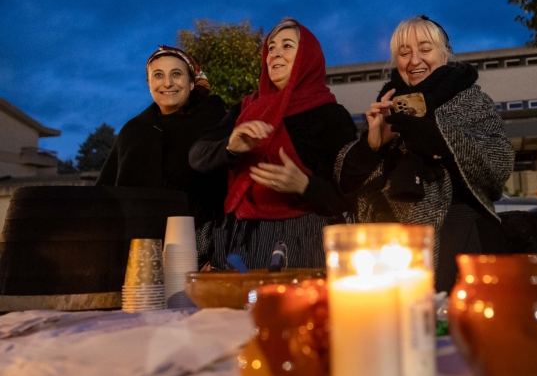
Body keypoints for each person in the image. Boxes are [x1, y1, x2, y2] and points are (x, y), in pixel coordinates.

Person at [335, 16, 514, 292]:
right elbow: (346, 182)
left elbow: (500, 162)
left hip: (462, 236)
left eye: (425, 49)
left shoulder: (471, 100)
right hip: (391, 248)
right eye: (404, 53)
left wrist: (435, 137)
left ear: (445, 53)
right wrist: (372, 145)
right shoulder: (388, 105)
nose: (414, 60)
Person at [189, 19, 357, 270]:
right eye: (271, 47)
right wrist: (230, 146)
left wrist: (304, 185)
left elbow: (349, 196)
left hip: (304, 243)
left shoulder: (331, 116)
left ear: (307, 57)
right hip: (240, 240)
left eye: (287, 46)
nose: (275, 53)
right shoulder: (245, 109)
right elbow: (197, 157)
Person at [97, 46, 228, 264]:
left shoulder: (213, 121)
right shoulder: (134, 131)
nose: (167, 83)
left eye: (176, 74)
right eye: (158, 75)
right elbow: (108, 192)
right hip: (141, 249)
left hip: (203, 244)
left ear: (192, 82)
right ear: (149, 84)